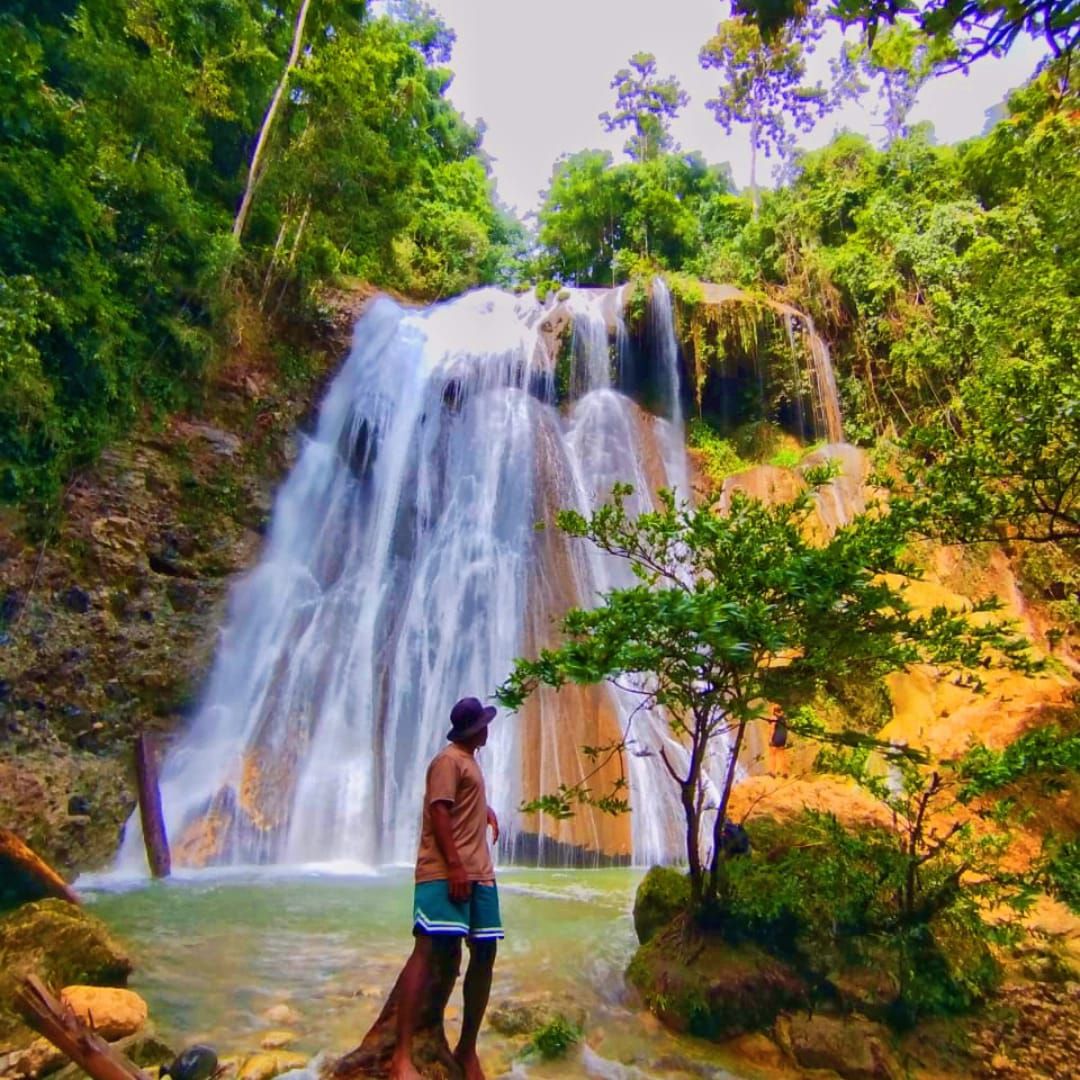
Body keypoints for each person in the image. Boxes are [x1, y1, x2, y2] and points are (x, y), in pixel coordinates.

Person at [389, 697, 502, 1080]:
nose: (488, 729)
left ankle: (466, 1049)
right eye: (483, 724)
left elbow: (459, 802)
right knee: (427, 951)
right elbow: (439, 810)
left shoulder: (468, 761)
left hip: (480, 873)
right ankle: (401, 1057)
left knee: (485, 951)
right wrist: (454, 866)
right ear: (474, 729)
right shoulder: (447, 760)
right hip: (445, 872)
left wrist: (484, 810)